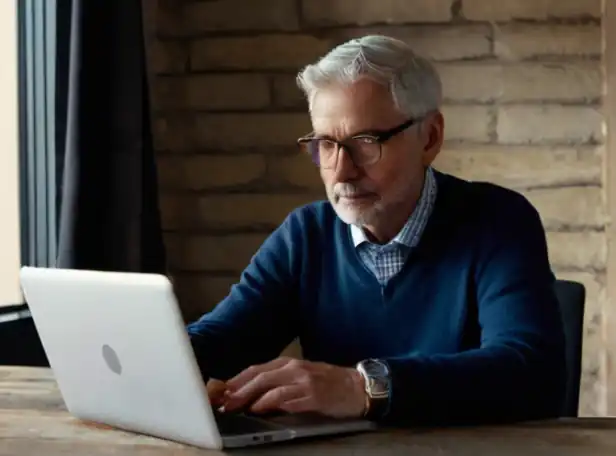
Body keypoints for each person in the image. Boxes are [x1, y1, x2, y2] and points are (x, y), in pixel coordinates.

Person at [186, 35, 566, 426]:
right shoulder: (306, 235)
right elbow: (221, 339)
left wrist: (361, 388)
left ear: (430, 137)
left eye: (366, 142)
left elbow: (532, 375)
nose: (341, 171)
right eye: (326, 144)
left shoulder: (497, 221)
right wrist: (153, 361)